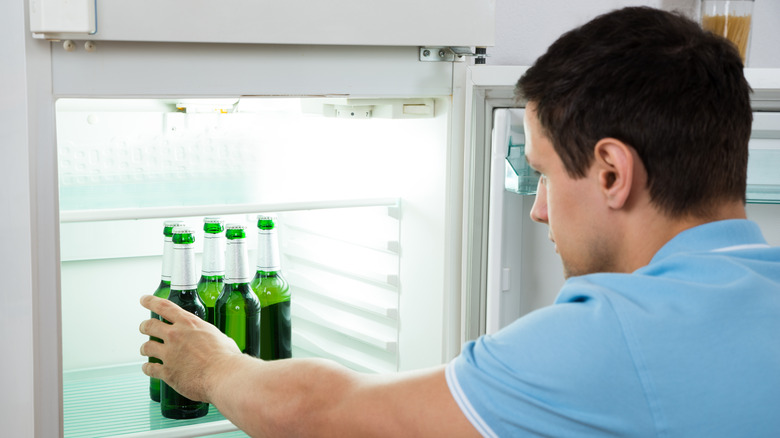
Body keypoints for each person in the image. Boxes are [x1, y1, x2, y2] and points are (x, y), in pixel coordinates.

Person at [139, 6, 780, 437]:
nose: (537, 207)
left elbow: (323, 413)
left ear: (611, 171)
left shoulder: (611, 337)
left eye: (545, 174)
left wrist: (215, 366)